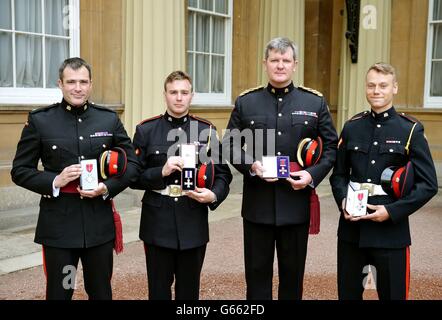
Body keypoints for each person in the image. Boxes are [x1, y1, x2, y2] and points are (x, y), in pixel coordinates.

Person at [11, 57, 139, 300]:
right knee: (61, 292)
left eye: (83, 81)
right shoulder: (41, 121)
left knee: (100, 291)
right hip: (59, 226)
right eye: (71, 82)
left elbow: (133, 164)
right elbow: (19, 170)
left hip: (98, 225)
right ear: (60, 84)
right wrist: (54, 181)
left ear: (90, 85)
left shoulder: (108, 119)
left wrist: (106, 188)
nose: (77, 87)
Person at [224, 37, 338, 299]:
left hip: (295, 203)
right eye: (274, 60)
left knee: (292, 278)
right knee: (256, 278)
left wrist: (311, 175)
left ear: (295, 65)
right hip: (257, 206)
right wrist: (251, 165)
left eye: (286, 60)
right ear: (265, 63)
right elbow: (229, 145)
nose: (280, 65)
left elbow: (331, 148)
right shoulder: (246, 102)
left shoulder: (314, 103)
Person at [329, 62, 438, 300]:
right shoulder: (352, 127)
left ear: (394, 88)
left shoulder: (410, 130)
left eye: (382, 85)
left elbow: (428, 184)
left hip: (391, 233)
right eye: (371, 85)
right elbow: (338, 175)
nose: (376, 91)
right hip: (352, 231)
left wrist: (391, 211)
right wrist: (343, 201)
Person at [131, 70, 232, 300]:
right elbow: (133, 176)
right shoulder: (146, 130)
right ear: (165, 95)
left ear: (191, 95)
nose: (179, 97)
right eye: (173, 92)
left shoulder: (207, 131)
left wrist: (213, 195)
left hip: (192, 217)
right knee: (158, 291)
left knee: (189, 292)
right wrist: (161, 171)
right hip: (157, 221)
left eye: (184, 92)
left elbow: (223, 175)